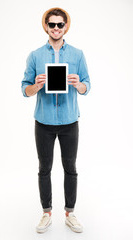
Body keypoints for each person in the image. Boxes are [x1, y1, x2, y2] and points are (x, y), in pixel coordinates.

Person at [21, 7, 91, 233]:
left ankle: (70, 213)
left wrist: (78, 83)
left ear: (66, 26)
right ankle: (46, 213)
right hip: (44, 122)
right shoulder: (35, 55)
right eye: (52, 24)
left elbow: (86, 87)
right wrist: (37, 86)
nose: (56, 28)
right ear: (46, 26)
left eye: (60, 24)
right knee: (44, 168)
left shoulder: (78, 55)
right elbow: (25, 89)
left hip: (70, 121)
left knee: (70, 167)